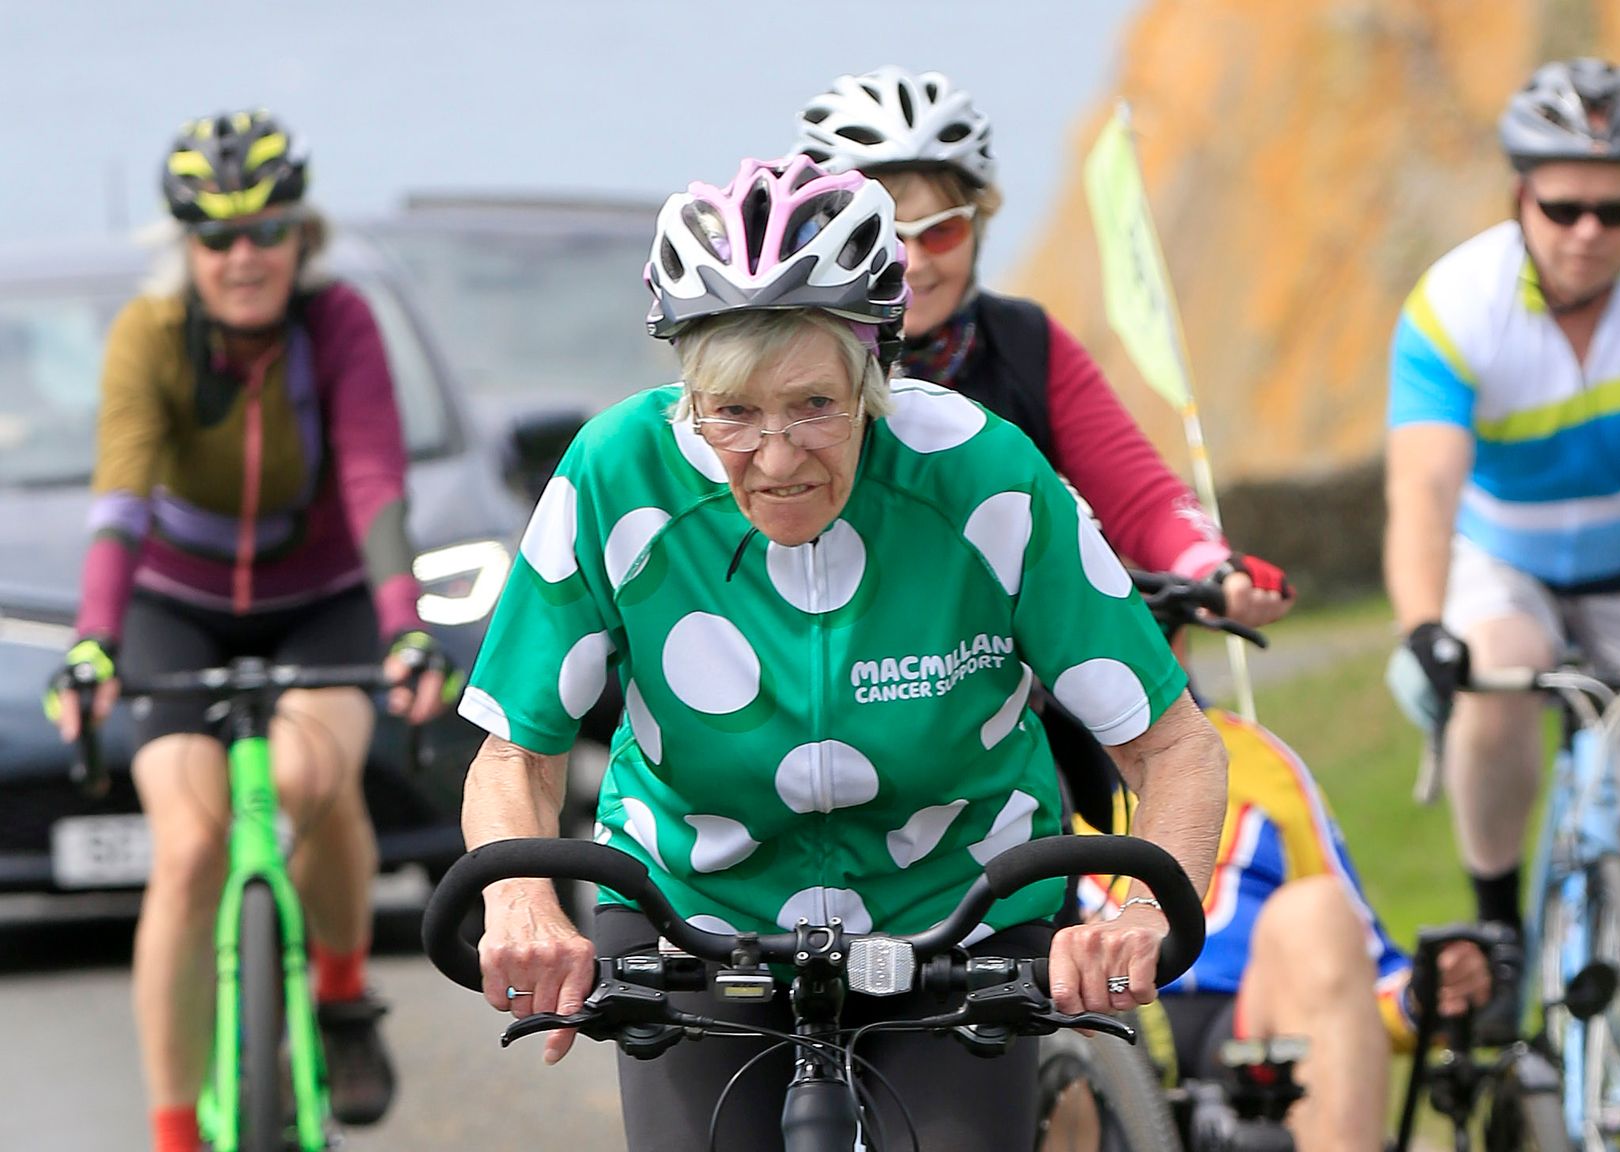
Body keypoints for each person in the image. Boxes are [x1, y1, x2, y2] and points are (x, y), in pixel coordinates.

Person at [455, 155, 1228, 1152]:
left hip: (960, 903)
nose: (775, 459)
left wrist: (1135, 910)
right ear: (687, 393)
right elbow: (513, 752)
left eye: (814, 406)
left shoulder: (982, 474)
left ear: (875, 372)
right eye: (732, 413)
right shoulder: (616, 474)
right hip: (698, 904)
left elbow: (1174, 749)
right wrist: (521, 904)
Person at [1380, 58, 1620, 1149]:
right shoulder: (1452, 308)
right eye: (1562, 205)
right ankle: (1498, 925)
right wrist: (1425, 629)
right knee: (1494, 671)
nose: (1587, 231)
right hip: (1506, 561)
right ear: (1518, 197)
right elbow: (1421, 494)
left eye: (1616, 208)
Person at [47, 109, 451, 1152]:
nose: (243, 256)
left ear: (298, 236)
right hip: (173, 607)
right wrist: (93, 638)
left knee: (316, 784)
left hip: (319, 601)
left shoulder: (340, 323)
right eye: (218, 236)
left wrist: (402, 624)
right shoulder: (150, 334)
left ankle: (344, 996)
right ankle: (177, 1132)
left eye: (266, 231)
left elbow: (373, 478)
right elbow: (122, 495)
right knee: (186, 852)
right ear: (186, 245)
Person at [790, 66, 1294, 628]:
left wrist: (1214, 567)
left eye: (942, 231)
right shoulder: (794, 369)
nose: (918, 262)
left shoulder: (1024, 341)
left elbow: (1143, 501)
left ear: (979, 226)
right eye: (885, 236)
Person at [1078, 702, 1490, 1151]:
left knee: (1317, 911)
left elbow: (1363, 982)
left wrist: (1425, 995)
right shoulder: (1020, 757)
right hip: (1094, 1025)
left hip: (1248, 1026)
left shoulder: (1260, 759)